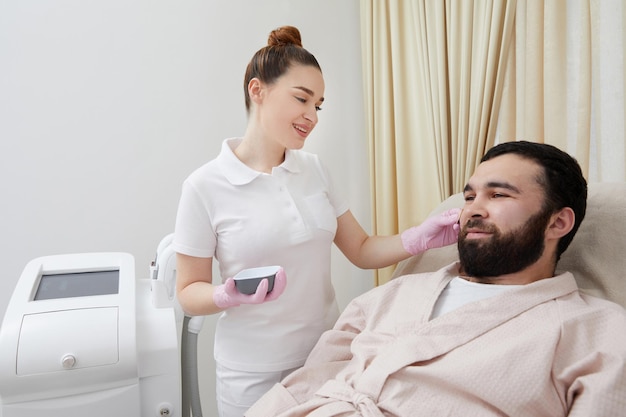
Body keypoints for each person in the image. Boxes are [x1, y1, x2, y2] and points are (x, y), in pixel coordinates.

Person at [172, 26, 460, 417]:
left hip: (326, 357)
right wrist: (228, 294)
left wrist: (419, 238)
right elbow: (188, 290)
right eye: (302, 99)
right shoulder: (205, 186)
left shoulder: (314, 170)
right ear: (258, 91)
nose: (312, 116)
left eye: (318, 105)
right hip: (253, 372)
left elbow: (360, 249)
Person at [245, 141, 626, 417]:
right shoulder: (391, 295)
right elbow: (306, 385)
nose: (473, 210)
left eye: (498, 195)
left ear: (558, 222)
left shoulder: (595, 330)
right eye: (470, 196)